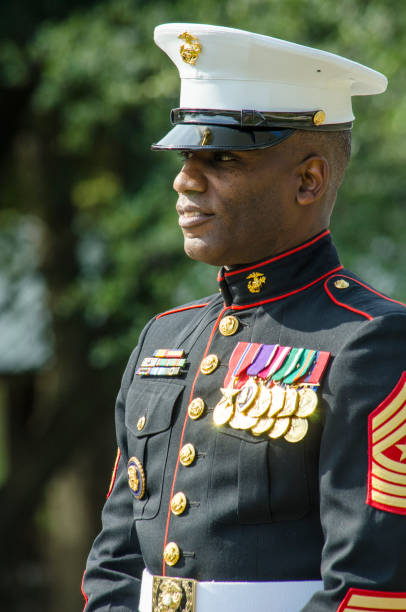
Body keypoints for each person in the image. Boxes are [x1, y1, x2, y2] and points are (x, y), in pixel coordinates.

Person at [82, 23, 406, 612]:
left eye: (222, 157)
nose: (185, 180)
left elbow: (373, 587)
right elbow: (116, 560)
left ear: (308, 180)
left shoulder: (369, 341)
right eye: (185, 157)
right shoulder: (165, 337)